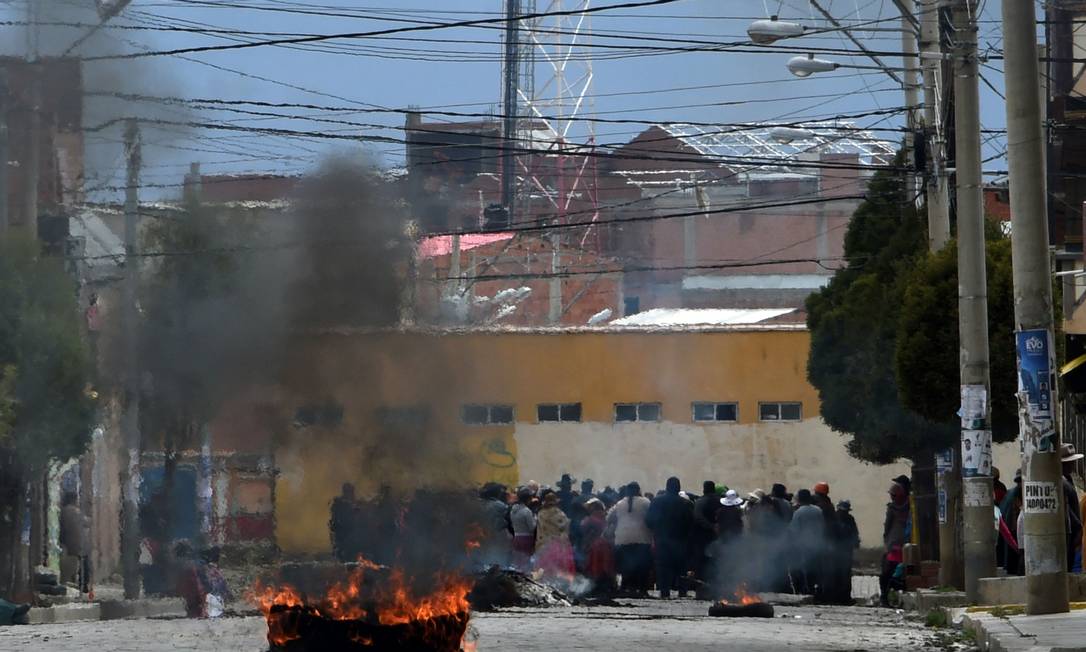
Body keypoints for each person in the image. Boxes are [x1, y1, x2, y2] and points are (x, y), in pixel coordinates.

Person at [646, 477, 694, 598]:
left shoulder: (657, 501)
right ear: (679, 488)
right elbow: (690, 522)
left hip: (662, 539)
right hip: (680, 540)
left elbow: (649, 520)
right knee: (681, 567)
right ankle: (682, 592)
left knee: (663, 567)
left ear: (666, 487)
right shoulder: (686, 503)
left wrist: (657, 530)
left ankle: (664, 591)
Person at [607, 482, 653, 596]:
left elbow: (609, 518)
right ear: (638, 490)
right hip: (642, 538)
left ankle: (626, 588)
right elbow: (652, 517)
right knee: (642, 565)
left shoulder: (619, 503)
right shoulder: (646, 502)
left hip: (623, 538)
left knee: (626, 565)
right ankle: (642, 590)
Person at [880, 482, 911, 606]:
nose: (892, 498)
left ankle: (885, 596)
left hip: (895, 545)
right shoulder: (909, 506)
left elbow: (887, 527)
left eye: (893, 495)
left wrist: (886, 540)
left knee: (887, 573)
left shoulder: (892, 509)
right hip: (906, 545)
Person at [789, 489, 825, 596]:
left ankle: (806, 591)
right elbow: (822, 526)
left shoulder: (799, 512)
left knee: (803, 569)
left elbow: (793, 530)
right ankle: (816, 589)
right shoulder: (818, 510)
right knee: (815, 568)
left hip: (803, 545)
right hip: (817, 544)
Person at [535, 492, 575, 583]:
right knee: (559, 568)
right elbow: (565, 527)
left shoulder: (541, 513)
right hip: (558, 545)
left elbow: (539, 529)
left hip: (543, 544)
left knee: (545, 568)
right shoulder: (559, 514)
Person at [579, 498, 616, 594]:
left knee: (594, 567)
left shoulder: (589, 519)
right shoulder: (605, 518)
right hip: (606, 546)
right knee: (605, 567)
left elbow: (583, 528)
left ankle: (595, 587)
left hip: (594, 547)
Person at [811, 482, 837, 602]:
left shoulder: (819, 506)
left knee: (818, 569)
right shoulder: (829, 505)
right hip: (828, 541)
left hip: (820, 541)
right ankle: (825, 592)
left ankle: (820, 593)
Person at [714, 489, 745, 595]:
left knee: (722, 565)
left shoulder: (720, 512)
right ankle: (734, 589)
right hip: (735, 542)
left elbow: (717, 527)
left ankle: (723, 589)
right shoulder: (738, 512)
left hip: (723, 541)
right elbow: (741, 527)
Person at [692, 481, 722, 584]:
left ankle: (704, 586)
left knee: (703, 563)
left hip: (703, 537)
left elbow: (697, 516)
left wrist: (710, 526)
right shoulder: (721, 501)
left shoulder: (701, 501)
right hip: (718, 537)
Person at [1061, 444, 1084, 572]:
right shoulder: (1062, 482)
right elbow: (1067, 510)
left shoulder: (1067, 479)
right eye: (1069, 463)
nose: (1072, 465)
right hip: (1070, 533)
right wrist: (1078, 528)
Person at [831, 500, 860, 605]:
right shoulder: (849, 518)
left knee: (839, 574)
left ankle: (838, 597)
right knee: (844, 574)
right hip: (844, 550)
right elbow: (855, 535)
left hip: (838, 550)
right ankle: (843, 597)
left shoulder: (835, 517)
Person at [58, 492, 88, 592]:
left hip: (67, 542)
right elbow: (86, 522)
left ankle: (78, 583)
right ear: (74, 500)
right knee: (84, 562)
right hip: (76, 544)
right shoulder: (76, 511)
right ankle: (83, 585)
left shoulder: (63, 511)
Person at [478, 483, 512, 569]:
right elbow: (508, 521)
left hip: (481, 534)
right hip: (497, 535)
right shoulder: (500, 506)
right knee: (500, 559)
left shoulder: (478, 504)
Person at [510, 487, 537, 571]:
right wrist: (535, 519)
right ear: (527, 499)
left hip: (516, 537)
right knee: (526, 563)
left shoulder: (513, 510)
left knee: (518, 562)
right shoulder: (526, 511)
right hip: (526, 539)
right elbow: (532, 527)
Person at [330, 483, 358, 562]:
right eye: (350, 491)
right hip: (341, 529)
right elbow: (335, 515)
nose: (352, 493)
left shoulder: (353, 501)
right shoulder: (339, 502)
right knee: (341, 548)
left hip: (350, 530)